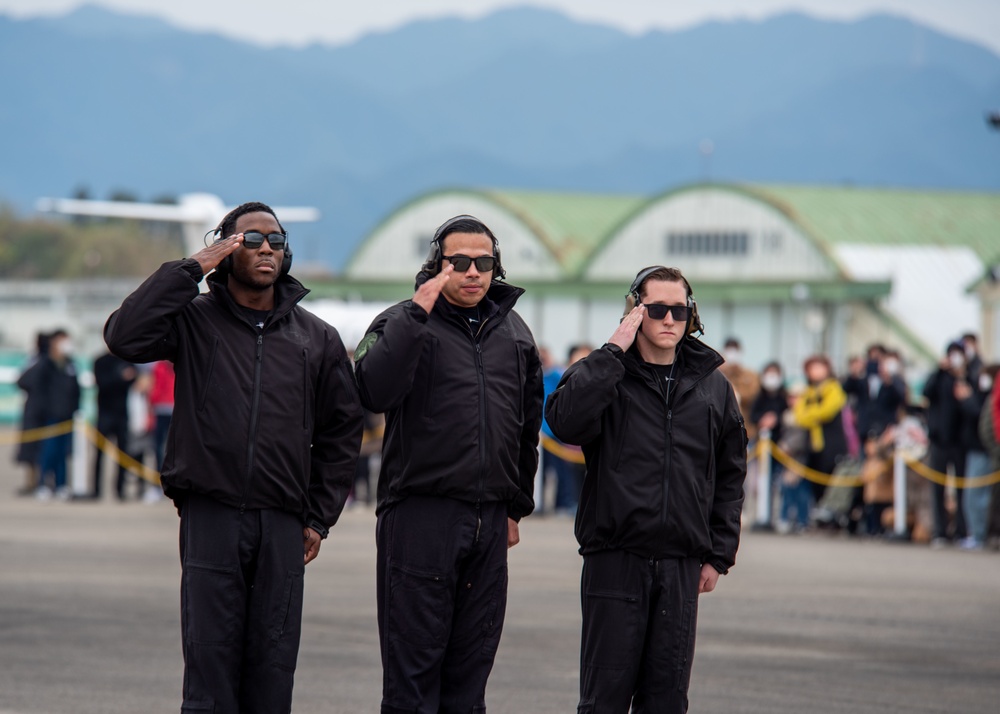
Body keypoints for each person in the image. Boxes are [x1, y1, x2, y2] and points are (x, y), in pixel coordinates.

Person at [104, 201, 364, 713]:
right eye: (250, 239)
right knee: (210, 665)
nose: (266, 247)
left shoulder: (317, 338)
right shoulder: (194, 321)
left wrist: (319, 515)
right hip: (211, 516)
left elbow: (342, 429)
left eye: (276, 240)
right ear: (224, 249)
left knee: (272, 667)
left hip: (283, 523)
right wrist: (190, 269)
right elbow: (123, 336)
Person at [353, 214, 544, 714]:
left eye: (484, 262)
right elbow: (372, 390)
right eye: (459, 262)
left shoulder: (516, 334)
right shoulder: (400, 321)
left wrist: (514, 508)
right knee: (413, 676)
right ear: (437, 264)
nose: (473, 272)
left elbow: (527, 427)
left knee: (470, 675)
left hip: (489, 521)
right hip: (420, 515)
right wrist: (416, 316)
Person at [545, 265, 747, 714]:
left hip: (681, 564)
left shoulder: (713, 388)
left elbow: (730, 475)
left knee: (667, 700)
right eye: (657, 309)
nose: (669, 320)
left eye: (679, 310)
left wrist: (718, 552)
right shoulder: (605, 374)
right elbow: (563, 422)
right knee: (604, 701)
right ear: (635, 311)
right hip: (615, 559)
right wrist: (613, 351)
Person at [23, 329, 81, 500]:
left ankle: (61, 485)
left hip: (67, 416)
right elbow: (28, 382)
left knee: (63, 453)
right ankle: (42, 485)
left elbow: (76, 390)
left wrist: (75, 409)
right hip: (50, 415)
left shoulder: (70, 364)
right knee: (48, 451)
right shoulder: (44, 363)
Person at [922, 341, 970, 545]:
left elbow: (973, 405)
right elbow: (926, 392)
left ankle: (961, 530)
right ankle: (939, 532)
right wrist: (939, 370)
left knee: (963, 489)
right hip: (939, 440)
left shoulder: (968, 376)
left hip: (960, 442)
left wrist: (963, 377)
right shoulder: (939, 376)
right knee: (937, 489)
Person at [539, 343, 592, 516]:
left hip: (561, 435)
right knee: (548, 473)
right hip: (546, 436)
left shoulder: (556, 374)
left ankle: (568, 503)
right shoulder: (548, 377)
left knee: (569, 473)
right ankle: (557, 504)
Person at [791, 354, 850, 508]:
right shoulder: (807, 392)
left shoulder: (834, 388)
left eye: (819, 367)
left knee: (831, 480)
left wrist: (810, 414)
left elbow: (827, 411)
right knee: (815, 482)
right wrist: (813, 415)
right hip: (813, 445)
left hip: (832, 443)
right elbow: (799, 415)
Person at [89, 350, 137, 500]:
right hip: (104, 414)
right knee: (99, 454)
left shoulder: (127, 359)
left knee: (123, 454)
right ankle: (96, 490)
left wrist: (124, 378)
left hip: (122, 415)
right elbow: (102, 383)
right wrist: (121, 377)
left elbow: (133, 379)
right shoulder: (100, 361)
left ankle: (120, 490)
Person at [13, 331, 50, 496]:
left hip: (46, 411)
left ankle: (45, 481)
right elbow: (22, 381)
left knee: (47, 448)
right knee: (31, 449)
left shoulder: (48, 362)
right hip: (34, 411)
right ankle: (32, 482)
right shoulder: (34, 361)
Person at [719, 336, 760, 440]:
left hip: (745, 429)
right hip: (721, 430)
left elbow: (752, 395)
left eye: (735, 350)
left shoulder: (750, 375)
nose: (732, 354)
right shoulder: (718, 374)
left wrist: (734, 391)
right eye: (729, 350)